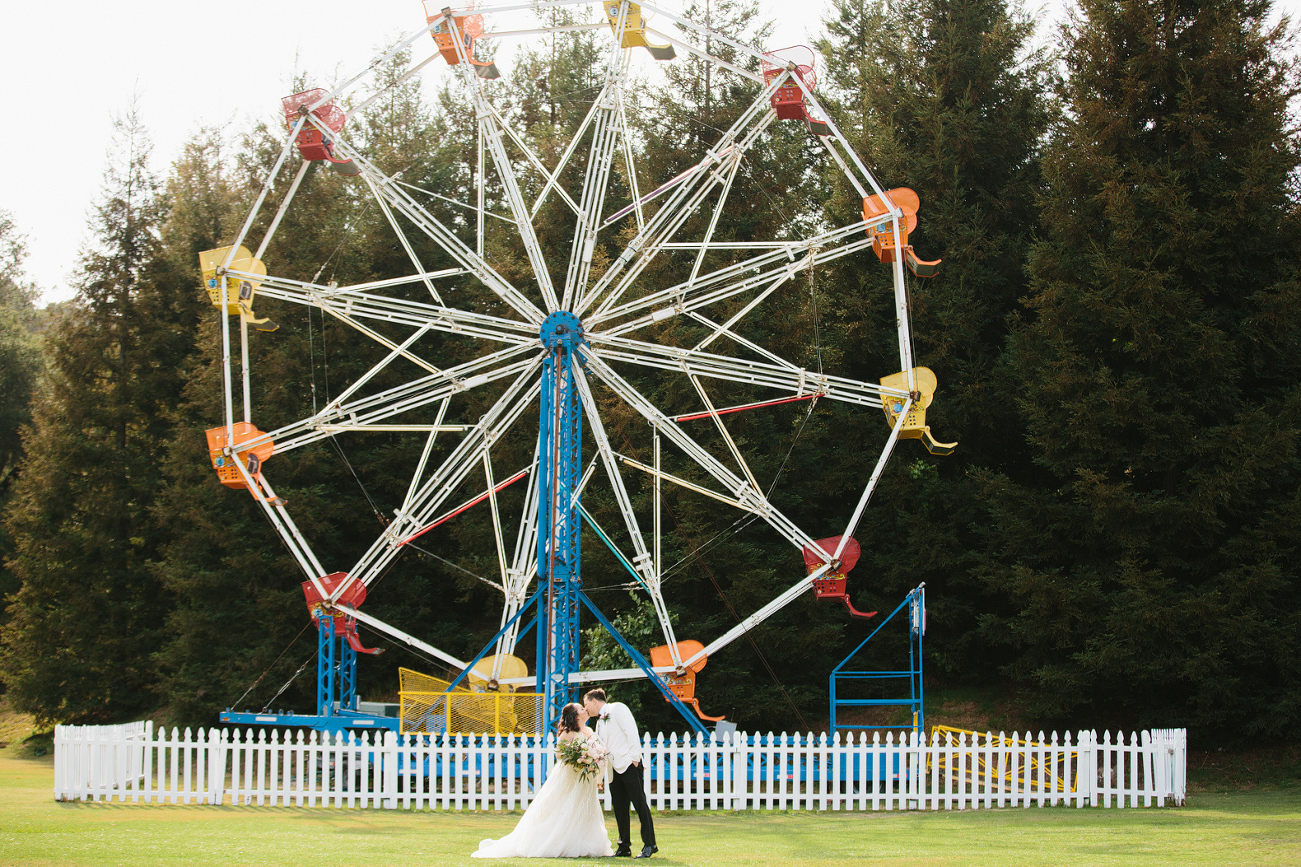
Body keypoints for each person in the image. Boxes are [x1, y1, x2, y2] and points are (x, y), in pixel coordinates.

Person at [471, 703, 613, 859]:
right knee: (561, 807)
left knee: (584, 808)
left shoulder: (589, 731)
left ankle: (585, 841)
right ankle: (558, 840)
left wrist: (593, 759)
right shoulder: (567, 733)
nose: (585, 709)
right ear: (576, 716)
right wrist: (579, 757)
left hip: (585, 778)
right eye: (581, 708)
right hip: (570, 775)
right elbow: (559, 755)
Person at [584, 689, 657, 859]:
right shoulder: (599, 723)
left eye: (586, 704)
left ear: (595, 701)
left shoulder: (618, 708)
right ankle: (624, 846)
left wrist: (634, 759)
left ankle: (650, 844)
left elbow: (631, 732)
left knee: (639, 804)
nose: (585, 708)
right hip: (612, 769)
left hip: (629, 764)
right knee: (620, 808)